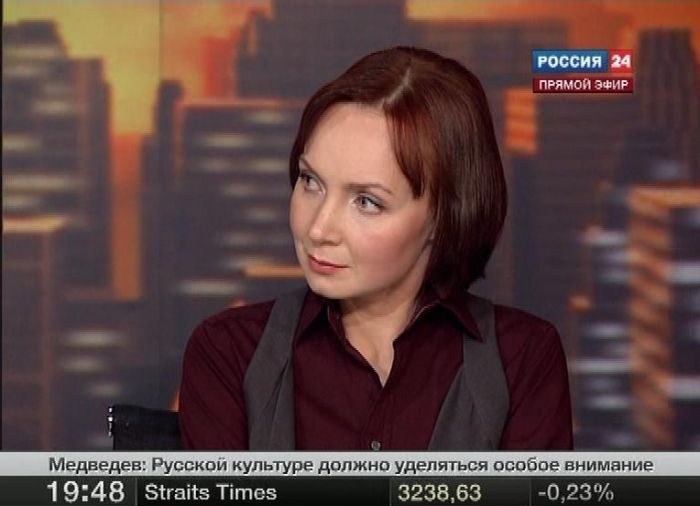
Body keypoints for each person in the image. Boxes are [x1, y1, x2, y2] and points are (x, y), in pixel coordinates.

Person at [178, 46, 573, 450]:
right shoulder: (229, 353)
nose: (318, 228)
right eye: (311, 181)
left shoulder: (521, 360)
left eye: (366, 202)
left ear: (444, 217)